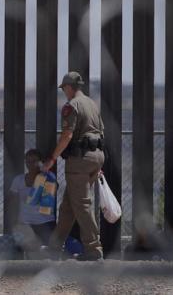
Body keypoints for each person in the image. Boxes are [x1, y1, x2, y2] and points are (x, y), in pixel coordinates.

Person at [41, 71, 106, 261]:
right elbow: (101, 131)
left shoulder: (71, 106)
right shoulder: (92, 104)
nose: (64, 93)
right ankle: (54, 247)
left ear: (69, 87)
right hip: (96, 156)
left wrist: (53, 158)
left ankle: (93, 249)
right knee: (69, 206)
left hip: (79, 160)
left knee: (83, 204)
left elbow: (67, 135)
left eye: (64, 89)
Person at [8, 149, 57, 248]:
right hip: (25, 223)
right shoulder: (18, 180)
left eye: (34, 161)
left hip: (44, 223)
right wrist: (14, 222)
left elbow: (49, 198)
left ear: (40, 163)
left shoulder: (48, 178)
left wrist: (44, 174)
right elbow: (12, 202)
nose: (30, 164)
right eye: (28, 161)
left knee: (47, 248)